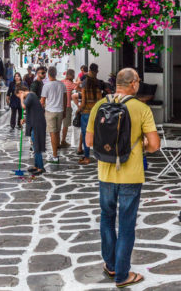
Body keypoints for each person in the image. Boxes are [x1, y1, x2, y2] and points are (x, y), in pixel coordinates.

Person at [86, 68, 160, 288]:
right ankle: (122, 275)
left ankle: (111, 266)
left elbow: (89, 142)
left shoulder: (99, 106)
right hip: (131, 175)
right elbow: (155, 145)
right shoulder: (141, 108)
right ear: (134, 84)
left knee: (107, 219)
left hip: (106, 173)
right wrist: (143, 144)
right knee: (126, 225)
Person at [16, 84, 47, 175]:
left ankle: (40, 167)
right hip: (36, 123)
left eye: (19, 95)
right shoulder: (31, 96)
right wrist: (25, 120)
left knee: (36, 146)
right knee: (34, 145)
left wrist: (21, 98)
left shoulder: (30, 95)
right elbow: (33, 112)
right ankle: (36, 165)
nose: (20, 98)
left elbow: (24, 107)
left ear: (21, 92)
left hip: (37, 124)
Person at [77, 65, 104, 165]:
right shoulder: (98, 83)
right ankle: (100, 156)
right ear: (97, 71)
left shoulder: (84, 83)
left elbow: (83, 102)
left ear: (89, 70)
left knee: (85, 135)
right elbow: (100, 100)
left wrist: (78, 110)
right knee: (98, 134)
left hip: (86, 113)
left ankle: (87, 157)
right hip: (96, 112)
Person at [41, 66, 67, 164]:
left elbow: (42, 101)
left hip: (50, 111)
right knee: (57, 132)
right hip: (60, 111)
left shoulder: (46, 86)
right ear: (56, 73)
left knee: (52, 133)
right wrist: (64, 111)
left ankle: (55, 156)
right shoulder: (61, 85)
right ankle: (55, 153)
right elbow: (65, 99)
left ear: (48, 74)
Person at [61, 69, 80, 149]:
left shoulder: (61, 82)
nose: (74, 76)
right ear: (69, 75)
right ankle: (63, 141)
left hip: (59, 106)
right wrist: (79, 83)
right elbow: (79, 89)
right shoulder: (71, 84)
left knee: (59, 125)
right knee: (65, 125)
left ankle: (59, 141)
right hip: (67, 106)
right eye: (73, 75)